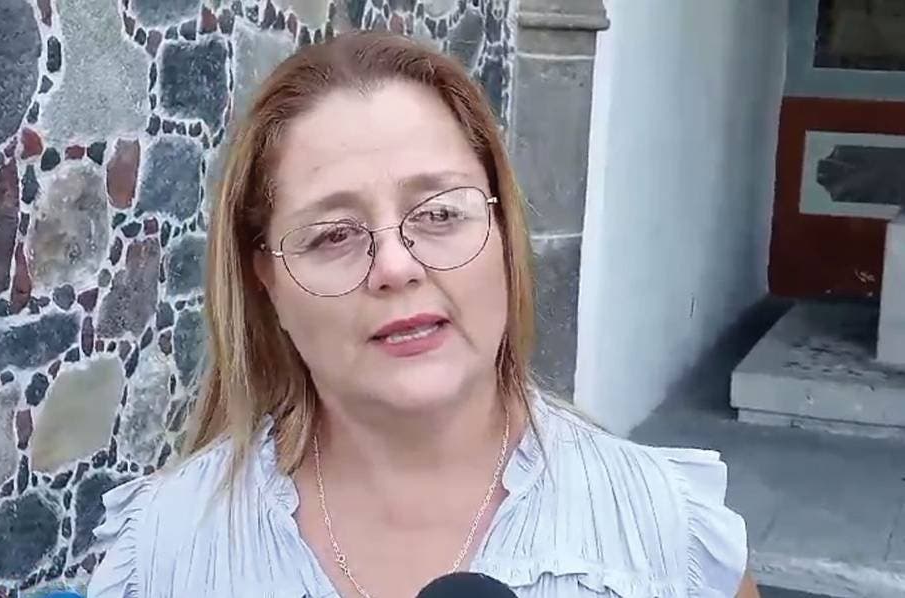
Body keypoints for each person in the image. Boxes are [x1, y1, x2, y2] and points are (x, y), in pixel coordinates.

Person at [87, 30, 760, 598]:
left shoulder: (670, 538)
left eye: (439, 213)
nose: (396, 266)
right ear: (267, 282)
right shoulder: (161, 556)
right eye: (333, 235)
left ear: (503, 234)